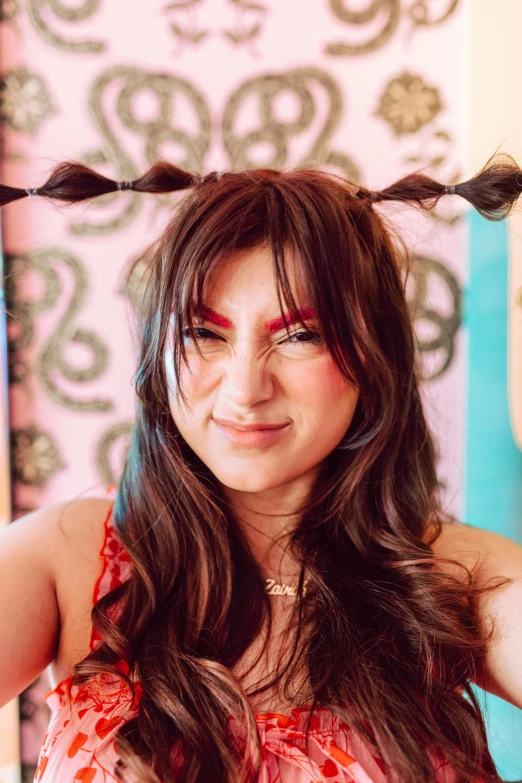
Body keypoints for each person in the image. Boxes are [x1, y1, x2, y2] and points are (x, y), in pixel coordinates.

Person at [0, 156, 521, 783]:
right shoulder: (65, 560)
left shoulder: (463, 581)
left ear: (373, 352)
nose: (246, 389)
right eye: (203, 331)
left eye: (300, 334)